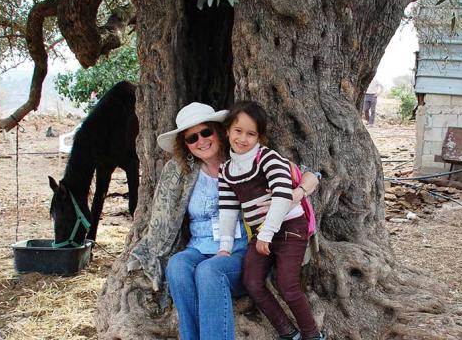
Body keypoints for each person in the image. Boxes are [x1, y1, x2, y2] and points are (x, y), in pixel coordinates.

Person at [127, 102, 319, 340]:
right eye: (192, 138)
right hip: (199, 246)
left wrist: (297, 193)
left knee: (209, 271)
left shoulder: (245, 158)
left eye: (206, 132)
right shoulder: (180, 172)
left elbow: (307, 173)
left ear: (219, 131)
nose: (201, 141)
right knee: (177, 265)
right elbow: (162, 221)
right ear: (185, 145)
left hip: (241, 248)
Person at [218, 101, 326, 340]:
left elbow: (281, 196)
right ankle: (287, 332)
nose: (243, 138)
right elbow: (227, 208)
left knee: (287, 283)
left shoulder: (268, 159)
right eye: (238, 131)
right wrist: (225, 246)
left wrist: (266, 233)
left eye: (251, 133)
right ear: (227, 131)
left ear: (259, 136)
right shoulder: (226, 170)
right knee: (252, 282)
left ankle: (312, 334)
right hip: (261, 232)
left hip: (289, 228)